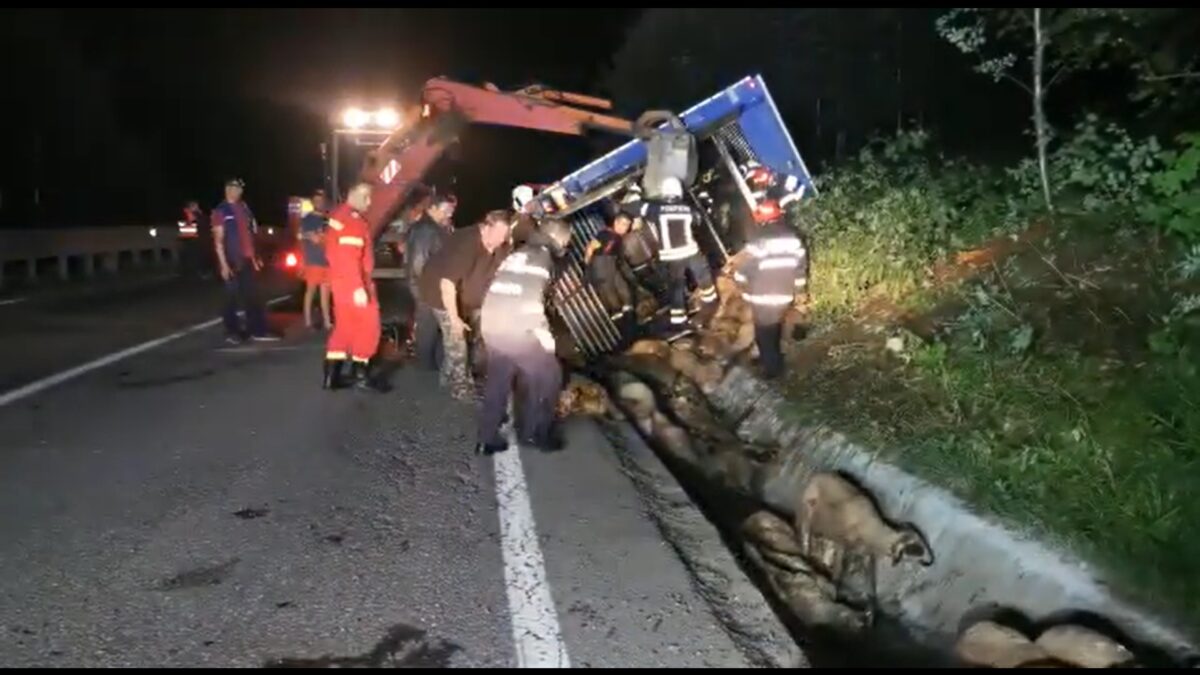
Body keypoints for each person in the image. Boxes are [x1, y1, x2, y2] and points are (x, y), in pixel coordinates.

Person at [476, 218, 572, 455]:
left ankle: (486, 439)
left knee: (498, 380)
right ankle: (535, 435)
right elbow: (529, 298)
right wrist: (542, 333)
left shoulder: (519, 253)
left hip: (492, 323)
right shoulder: (542, 257)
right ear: (557, 238)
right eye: (566, 242)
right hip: (516, 327)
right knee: (549, 376)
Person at [417, 209, 512, 401]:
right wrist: (455, 319)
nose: (501, 240)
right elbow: (447, 284)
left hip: (467, 297)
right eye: (498, 234)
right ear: (486, 227)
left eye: (505, 235)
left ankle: (446, 376)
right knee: (457, 340)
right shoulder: (466, 244)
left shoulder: (501, 246)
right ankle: (460, 388)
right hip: (440, 294)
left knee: (471, 338)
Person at [623, 176, 719, 337]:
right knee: (703, 276)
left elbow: (631, 207)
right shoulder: (686, 208)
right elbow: (698, 219)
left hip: (671, 256)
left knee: (676, 287)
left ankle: (679, 322)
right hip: (690, 251)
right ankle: (710, 304)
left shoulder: (656, 209)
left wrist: (634, 189)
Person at [733, 185, 808, 380]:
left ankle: (773, 370)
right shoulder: (794, 239)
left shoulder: (757, 241)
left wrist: (740, 285)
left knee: (763, 332)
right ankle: (770, 357)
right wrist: (799, 291)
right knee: (773, 326)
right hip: (784, 294)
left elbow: (743, 271)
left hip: (762, 296)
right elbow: (800, 269)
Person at [323, 183, 389, 392]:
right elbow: (348, 256)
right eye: (367, 198)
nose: (370, 203)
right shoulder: (353, 221)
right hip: (354, 283)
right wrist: (358, 287)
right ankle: (361, 375)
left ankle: (331, 378)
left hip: (340, 283)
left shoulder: (339, 216)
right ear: (356, 196)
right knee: (369, 328)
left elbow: (335, 253)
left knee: (344, 328)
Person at [211, 178, 277, 343]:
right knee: (230, 298)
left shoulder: (244, 208)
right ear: (227, 189)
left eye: (240, 189)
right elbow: (218, 239)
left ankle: (258, 330)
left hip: (247, 259)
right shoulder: (221, 211)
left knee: (253, 296)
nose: (238, 191)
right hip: (231, 260)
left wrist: (255, 257)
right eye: (235, 188)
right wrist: (224, 265)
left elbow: (250, 234)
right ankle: (231, 331)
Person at [404, 192, 457, 370]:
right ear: (433, 208)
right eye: (446, 210)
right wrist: (423, 292)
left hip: (430, 286)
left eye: (451, 210)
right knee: (427, 328)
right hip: (427, 288)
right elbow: (419, 263)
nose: (449, 214)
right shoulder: (426, 230)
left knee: (431, 327)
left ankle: (429, 363)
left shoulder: (433, 227)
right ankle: (425, 368)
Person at [584, 212, 636, 334]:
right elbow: (590, 248)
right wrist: (587, 265)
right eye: (623, 224)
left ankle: (630, 319)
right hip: (600, 265)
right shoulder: (604, 234)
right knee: (609, 294)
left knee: (623, 289)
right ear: (616, 223)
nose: (625, 228)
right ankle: (621, 327)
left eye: (627, 225)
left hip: (611, 265)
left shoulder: (619, 238)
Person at [299, 189, 332, 330]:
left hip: (327, 260)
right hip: (313, 260)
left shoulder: (328, 218)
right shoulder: (307, 218)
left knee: (326, 292)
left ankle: (327, 321)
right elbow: (300, 235)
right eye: (316, 200)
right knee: (311, 290)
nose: (319, 202)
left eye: (321, 200)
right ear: (312, 202)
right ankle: (307, 321)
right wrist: (310, 236)